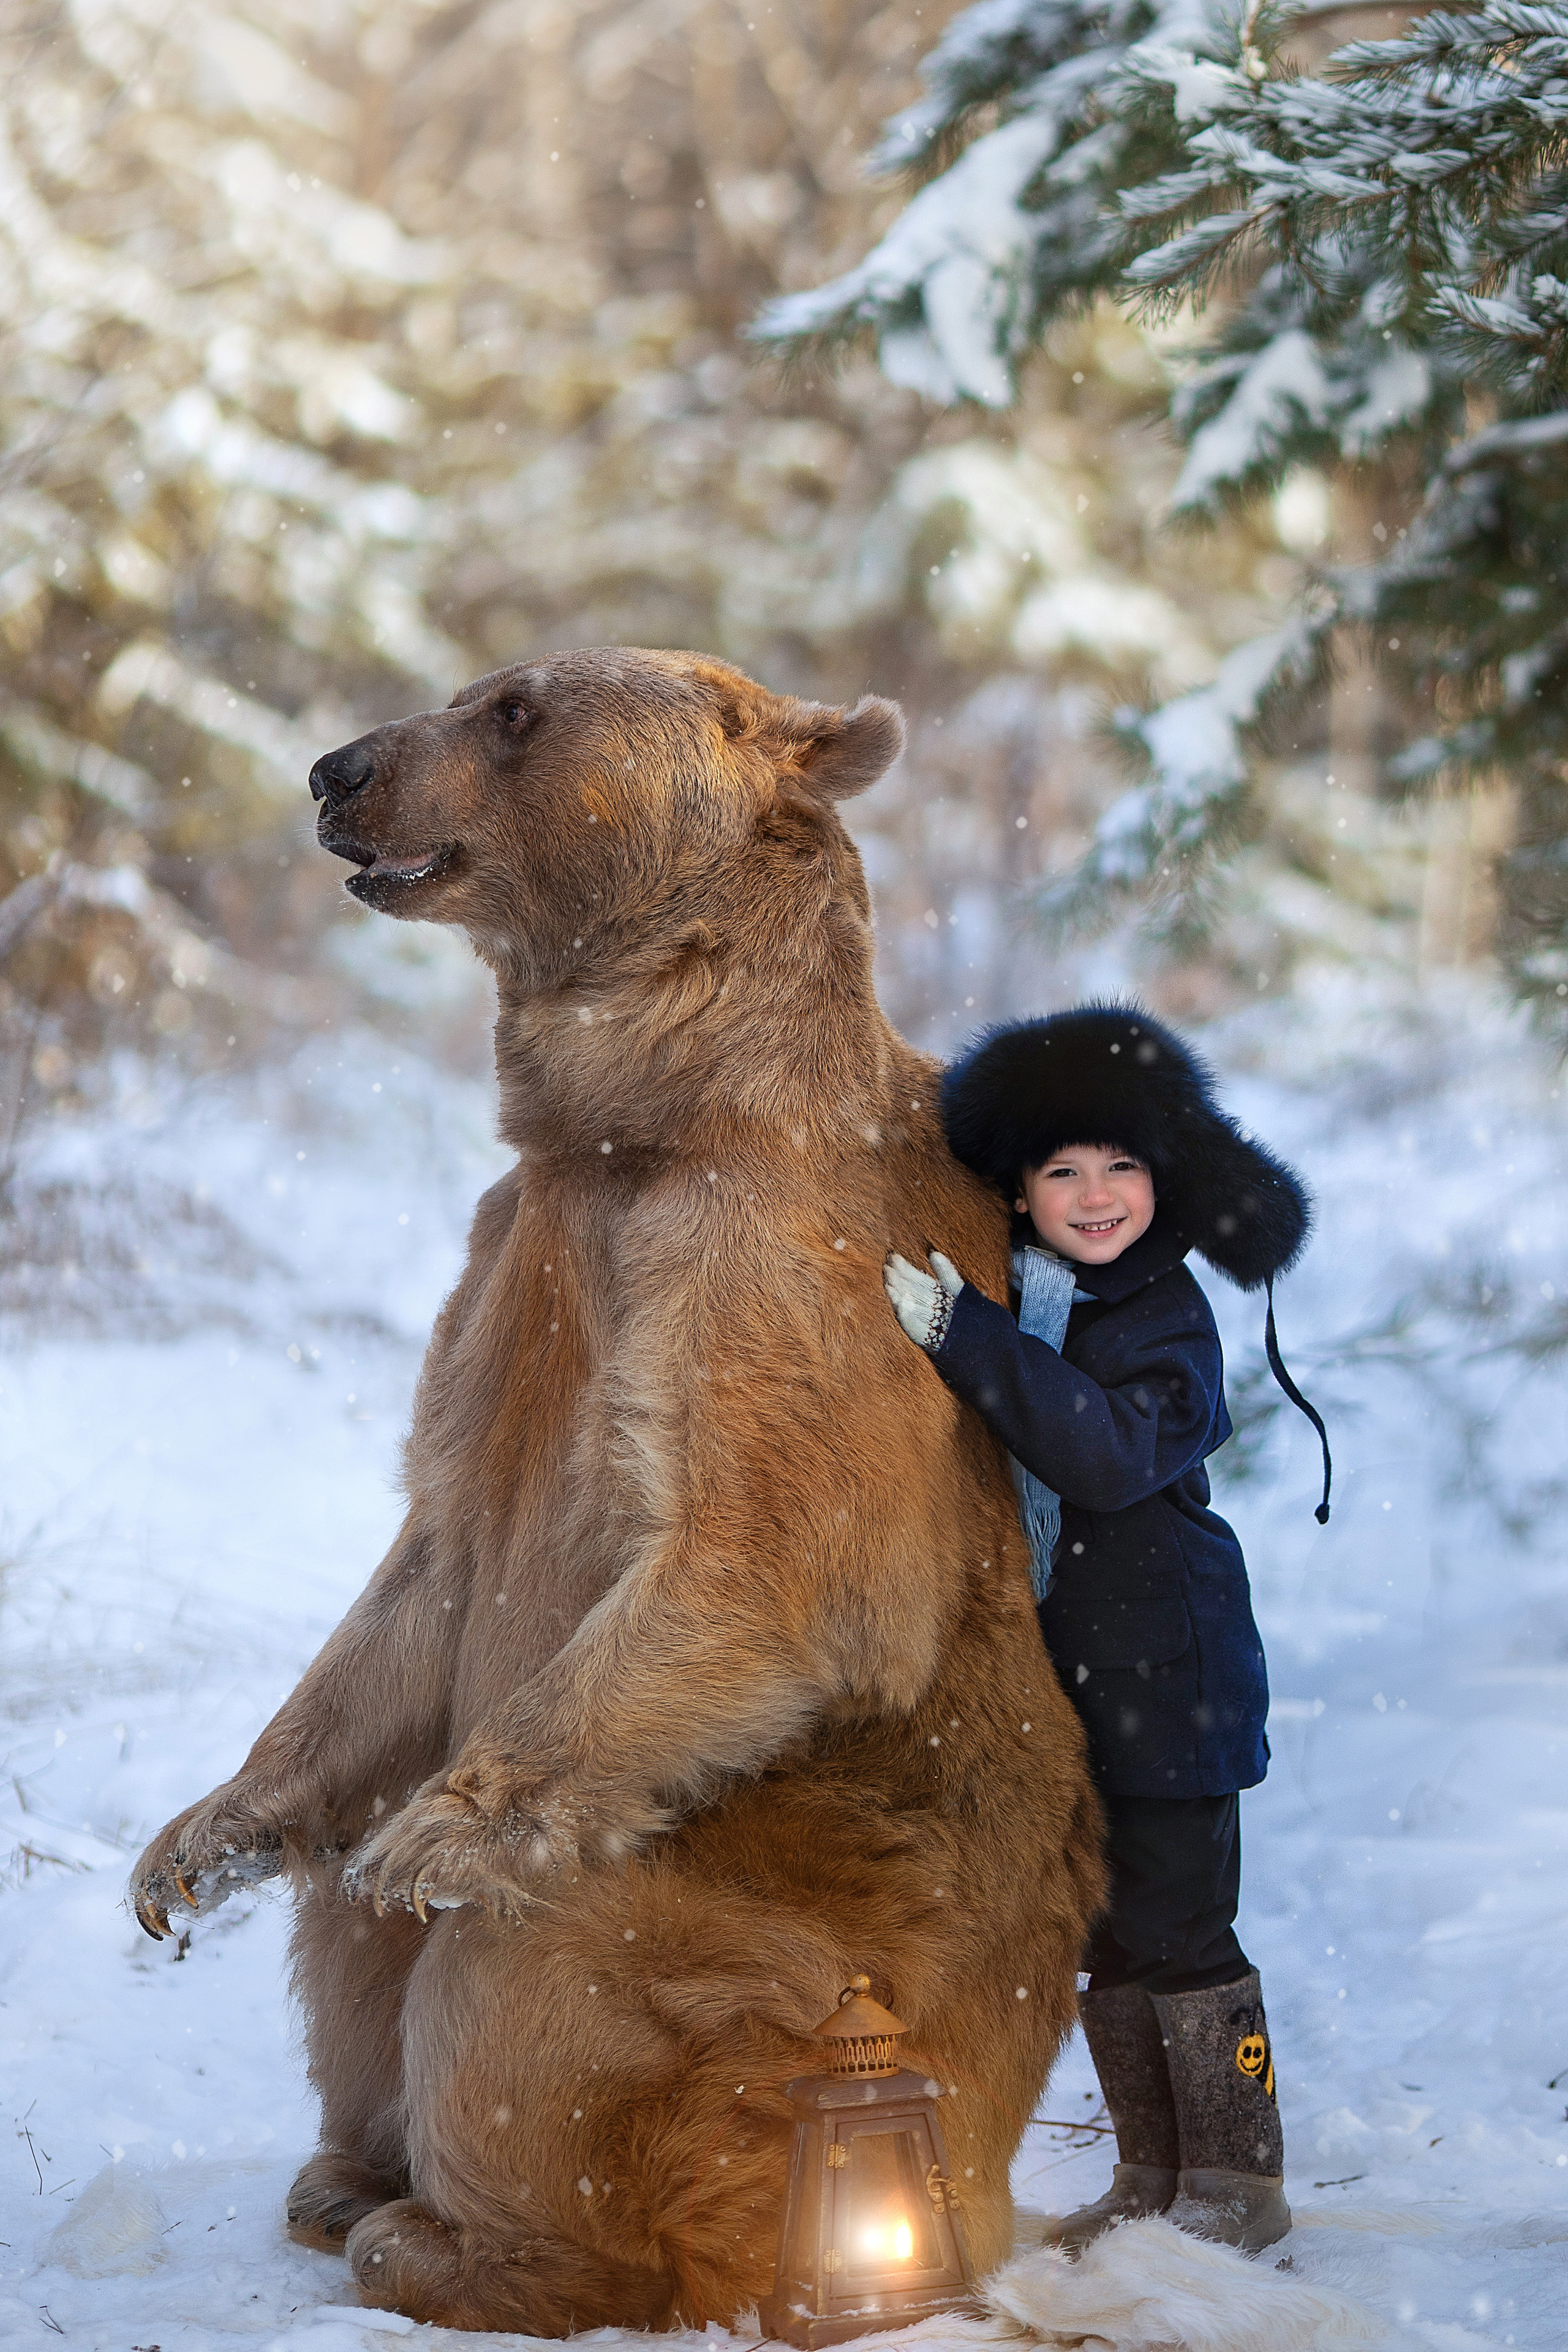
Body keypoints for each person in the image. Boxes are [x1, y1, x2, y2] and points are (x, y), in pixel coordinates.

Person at [883, 1003, 1330, 2257]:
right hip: (1078, 1676)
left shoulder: (1161, 1314)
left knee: (1183, 1930)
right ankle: (1149, 2172)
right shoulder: (1038, 1295)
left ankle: (1234, 2181)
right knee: (1110, 1926)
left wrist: (962, 1340)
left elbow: (1105, 1451)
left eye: (1119, 1166)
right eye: (1061, 1170)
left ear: (1159, 1176)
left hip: (1173, 1674)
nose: (1094, 1194)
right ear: (1019, 1192)